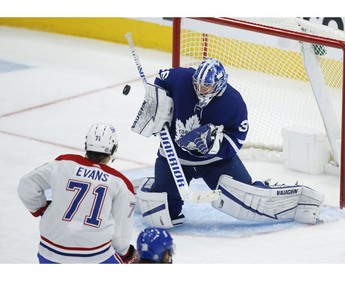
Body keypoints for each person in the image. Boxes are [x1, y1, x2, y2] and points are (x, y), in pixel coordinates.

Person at [132, 57, 324, 229]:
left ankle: (297, 201)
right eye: (197, 84)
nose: (200, 89)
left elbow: (237, 139)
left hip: (214, 162)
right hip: (174, 157)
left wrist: (213, 148)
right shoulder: (181, 78)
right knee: (163, 215)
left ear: (219, 84)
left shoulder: (233, 102)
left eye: (206, 86)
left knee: (249, 200)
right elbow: (161, 80)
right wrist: (157, 104)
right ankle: (149, 187)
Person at [17, 123, 137, 264]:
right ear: (113, 149)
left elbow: (27, 184)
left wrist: (41, 208)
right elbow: (121, 235)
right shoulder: (121, 183)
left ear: (86, 145)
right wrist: (126, 253)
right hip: (94, 257)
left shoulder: (63, 163)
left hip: (49, 252)